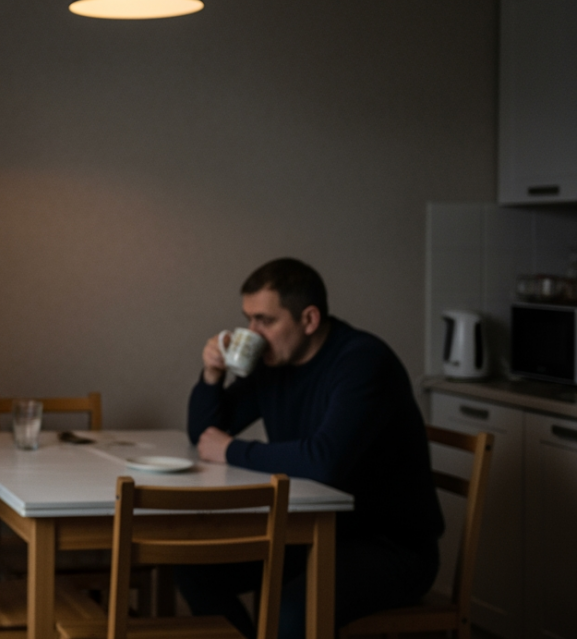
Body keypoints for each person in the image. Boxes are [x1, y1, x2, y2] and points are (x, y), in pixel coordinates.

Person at [180, 258, 442, 639]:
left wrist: (233, 450)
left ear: (309, 320)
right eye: (248, 319)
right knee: (195, 568)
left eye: (265, 320)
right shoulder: (274, 364)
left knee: (292, 609)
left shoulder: (362, 362)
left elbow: (325, 461)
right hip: (309, 534)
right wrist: (211, 376)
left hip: (389, 547)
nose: (251, 333)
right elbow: (203, 436)